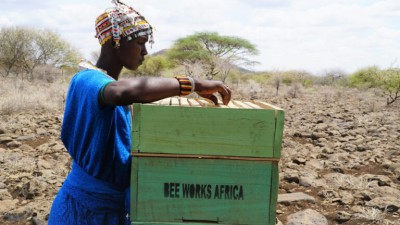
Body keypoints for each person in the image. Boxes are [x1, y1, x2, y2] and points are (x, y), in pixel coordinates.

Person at [48, 0, 231, 224]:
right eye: (140, 42)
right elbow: (122, 92)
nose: (145, 52)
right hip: (84, 212)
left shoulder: (105, 84)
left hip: (110, 208)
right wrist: (194, 84)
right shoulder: (88, 79)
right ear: (115, 41)